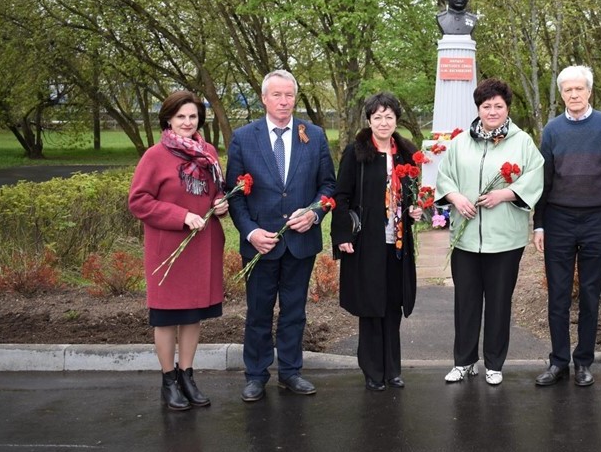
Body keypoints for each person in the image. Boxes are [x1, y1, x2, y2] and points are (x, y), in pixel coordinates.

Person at [226, 70, 336, 402]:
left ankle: (290, 372)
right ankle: (256, 375)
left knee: (294, 311)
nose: (284, 101)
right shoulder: (244, 138)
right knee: (258, 311)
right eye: (277, 95)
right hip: (260, 244)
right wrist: (250, 232)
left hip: (300, 243)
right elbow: (235, 194)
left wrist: (315, 213)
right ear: (263, 98)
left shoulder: (313, 135)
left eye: (289, 95)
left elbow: (328, 186)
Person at [436, 78, 543, 385]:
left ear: (507, 108)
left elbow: (535, 177)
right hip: (466, 239)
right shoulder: (459, 143)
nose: (492, 111)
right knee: (466, 302)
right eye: (486, 106)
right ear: (478, 108)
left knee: (498, 302)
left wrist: (505, 194)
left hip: (505, 240)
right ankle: (464, 361)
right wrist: (455, 197)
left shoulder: (522, 142)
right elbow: (446, 177)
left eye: (498, 106)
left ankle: (494, 363)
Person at [128, 90, 228, 411]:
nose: (187, 122)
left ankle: (187, 376)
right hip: (168, 250)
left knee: (192, 315)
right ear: (169, 119)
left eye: (193, 117)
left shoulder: (208, 152)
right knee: (167, 318)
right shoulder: (155, 155)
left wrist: (220, 204)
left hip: (202, 246)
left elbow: (215, 192)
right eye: (181, 116)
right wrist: (181, 216)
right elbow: (139, 201)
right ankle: (168, 380)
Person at [532, 65, 601, 387]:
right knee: (558, 294)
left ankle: (583, 361)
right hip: (559, 219)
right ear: (561, 94)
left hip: (598, 219)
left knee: (589, 293)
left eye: (579, 89)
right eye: (567, 90)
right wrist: (539, 224)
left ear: (589, 91)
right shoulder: (553, 130)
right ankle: (558, 361)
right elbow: (543, 181)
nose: (573, 94)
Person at [332, 93, 423, 391]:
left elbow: (411, 194)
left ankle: (392, 369)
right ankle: (373, 370)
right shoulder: (356, 153)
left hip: (396, 243)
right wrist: (342, 235)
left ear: (397, 120)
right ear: (369, 120)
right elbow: (341, 196)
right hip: (366, 242)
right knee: (371, 306)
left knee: (392, 306)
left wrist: (416, 209)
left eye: (389, 117)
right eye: (377, 117)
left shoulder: (406, 154)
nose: (383, 122)